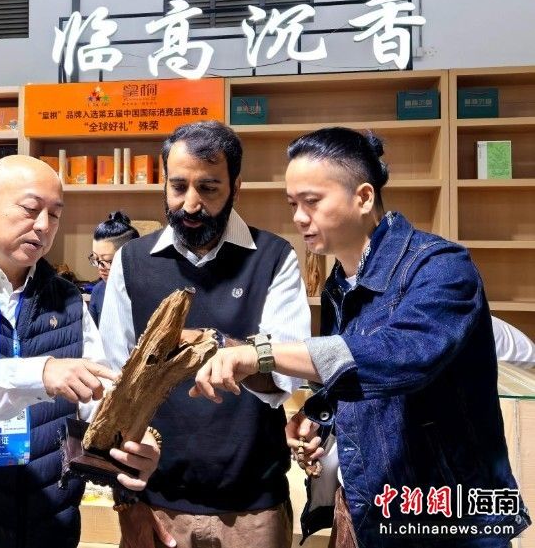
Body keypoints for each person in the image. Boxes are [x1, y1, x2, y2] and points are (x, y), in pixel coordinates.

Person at [191, 127, 530, 547]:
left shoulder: (441, 267)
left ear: (364, 197)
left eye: (312, 201)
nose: (299, 217)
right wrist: (320, 416)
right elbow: (357, 377)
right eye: (293, 204)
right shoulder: (340, 284)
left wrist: (261, 353)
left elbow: (399, 356)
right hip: (373, 508)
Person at [0, 155, 164, 548]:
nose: (43, 225)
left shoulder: (68, 300)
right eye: (29, 208)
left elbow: (100, 397)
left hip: (48, 523)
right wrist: (38, 373)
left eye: (54, 215)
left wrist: (136, 437)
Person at [99, 120, 311, 548]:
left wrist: (217, 347)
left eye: (209, 188)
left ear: (236, 187)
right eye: (178, 187)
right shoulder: (131, 262)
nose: (190, 205)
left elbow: (284, 376)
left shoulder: (273, 257)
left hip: (253, 507)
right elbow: (112, 387)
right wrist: (127, 500)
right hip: (154, 501)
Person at [88, 211, 139, 326]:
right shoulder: (98, 290)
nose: (100, 267)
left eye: (107, 260)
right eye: (96, 259)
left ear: (130, 257)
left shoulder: (145, 290)